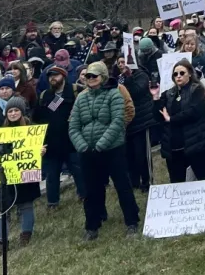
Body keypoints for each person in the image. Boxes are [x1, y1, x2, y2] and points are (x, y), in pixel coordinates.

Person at [69, 61, 140, 241]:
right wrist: (82, 146)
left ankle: (132, 221)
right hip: (87, 151)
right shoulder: (81, 98)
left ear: (103, 77)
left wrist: (101, 144)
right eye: (88, 76)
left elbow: (117, 122)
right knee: (91, 190)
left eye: (94, 76)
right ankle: (92, 226)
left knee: (122, 186)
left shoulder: (114, 94)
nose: (90, 79)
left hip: (112, 149)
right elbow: (74, 125)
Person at [0, 96, 41, 250]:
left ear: (22, 112)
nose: (12, 113)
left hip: (25, 173)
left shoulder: (33, 129)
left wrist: (41, 151)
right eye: (10, 111)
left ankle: (26, 235)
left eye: (16, 110)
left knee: (26, 205)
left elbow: (41, 147)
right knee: (0, 210)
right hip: (5, 176)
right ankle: (1, 242)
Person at [32, 64, 82, 209]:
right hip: (51, 143)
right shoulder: (45, 95)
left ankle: (83, 195)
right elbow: (37, 117)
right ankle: (52, 202)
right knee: (52, 176)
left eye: (56, 75)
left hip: (71, 141)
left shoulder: (75, 91)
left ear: (63, 76)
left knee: (78, 170)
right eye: (50, 76)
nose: (52, 78)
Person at [157, 58, 205, 183]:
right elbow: (158, 115)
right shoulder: (168, 94)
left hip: (196, 143)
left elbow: (194, 112)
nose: (178, 76)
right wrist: (155, 98)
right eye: (175, 74)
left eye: (182, 73)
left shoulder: (198, 90)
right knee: (177, 183)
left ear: (189, 73)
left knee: (203, 179)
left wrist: (171, 119)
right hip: (174, 147)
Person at [116, 50, 155, 192]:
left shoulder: (141, 75)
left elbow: (137, 91)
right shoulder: (119, 78)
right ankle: (134, 181)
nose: (121, 65)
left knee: (142, 154)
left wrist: (129, 77)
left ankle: (147, 181)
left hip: (141, 120)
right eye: (119, 62)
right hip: (128, 122)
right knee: (130, 154)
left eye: (123, 62)